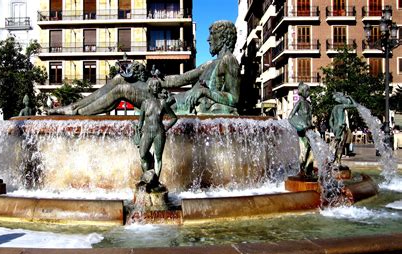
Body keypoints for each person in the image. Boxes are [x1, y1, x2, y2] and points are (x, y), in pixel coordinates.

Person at [47, 20, 240, 116]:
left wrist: (204, 92)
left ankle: (77, 113)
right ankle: (74, 107)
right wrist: (147, 76)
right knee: (120, 79)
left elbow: (234, 98)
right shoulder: (209, 64)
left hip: (172, 107)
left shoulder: (229, 61)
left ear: (223, 38)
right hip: (172, 99)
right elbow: (176, 80)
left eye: (212, 35)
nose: (208, 39)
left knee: (122, 90)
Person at [136, 78, 177, 180]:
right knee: (143, 154)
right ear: (149, 88)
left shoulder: (163, 103)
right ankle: (148, 176)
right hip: (147, 131)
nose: (155, 88)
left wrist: (166, 128)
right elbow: (140, 121)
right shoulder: (144, 103)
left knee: (158, 158)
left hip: (159, 132)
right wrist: (138, 130)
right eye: (153, 86)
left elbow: (174, 117)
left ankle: (155, 181)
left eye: (157, 86)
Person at [288, 82, 313, 177]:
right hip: (302, 132)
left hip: (309, 131)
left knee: (310, 152)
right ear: (302, 92)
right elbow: (290, 117)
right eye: (307, 91)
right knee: (303, 152)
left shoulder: (308, 103)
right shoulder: (299, 103)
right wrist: (301, 126)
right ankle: (301, 172)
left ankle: (308, 170)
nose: (309, 93)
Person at [329, 92, 356, 165]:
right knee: (340, 145)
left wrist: (333, 128)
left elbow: (330, 120)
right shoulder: (342, 106)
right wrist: (350, 97)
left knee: (336, 143)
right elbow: (355, 105)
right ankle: (337, 162)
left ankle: (332, 159)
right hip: (341, 126)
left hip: (336, 127)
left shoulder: (334, 108)